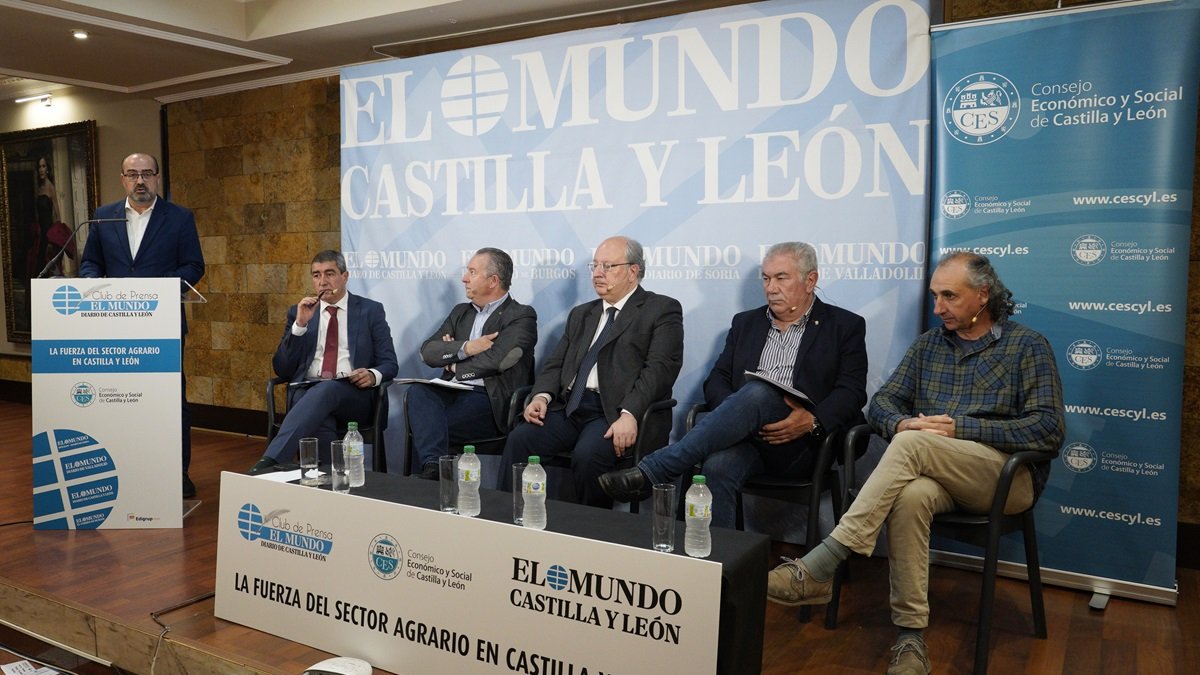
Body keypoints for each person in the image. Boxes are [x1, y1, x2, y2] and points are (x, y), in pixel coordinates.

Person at [765, 252, 1066, 675]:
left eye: (949, 296)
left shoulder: (1026, 346)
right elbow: (882, 404)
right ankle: (910, 640)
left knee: (912, 445)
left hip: (1004, 478)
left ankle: (823, 562)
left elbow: (1048, 429)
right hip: (934, 474)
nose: (938, 307)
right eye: (934, 296)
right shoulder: (929, 345)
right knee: (911, 494)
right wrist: (905, 421)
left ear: (983, 295)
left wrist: (959, 430)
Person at [599, 242, 868, 527]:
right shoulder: (746, 323)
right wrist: (738, 412)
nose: (771, 287)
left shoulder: (843, 326)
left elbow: (851, 391)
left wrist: (813, 421)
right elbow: (717, 380)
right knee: (717, 467)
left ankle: (658, 467)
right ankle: (717, 566)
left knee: (759, 391)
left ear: (810, 280)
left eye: (781, 278)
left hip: (802, 443)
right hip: (745, 439)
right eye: (766, 278)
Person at [499, 236, 683, 508]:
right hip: (570, 407)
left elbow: (660, 370)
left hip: (613, 411)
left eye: (608, 266)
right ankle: (506, 517)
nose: (597, 273)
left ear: (633, 271)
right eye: (595, 266)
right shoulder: (582, 314)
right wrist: (541, 397)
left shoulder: (661, 310)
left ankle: (591, 534)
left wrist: (630, 413)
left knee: (588, 455)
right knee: (521, 439)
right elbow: (556, 363)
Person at [79, 152, 205, 498]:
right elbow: (90, 262)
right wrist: (96, 286)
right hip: (114, 324)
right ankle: (127, 467)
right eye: (132, 174)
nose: (140, 181)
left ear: (157, 178)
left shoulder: (179, 218)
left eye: (147, 174)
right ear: (122, 179)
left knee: (169, 399)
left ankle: (178, 472)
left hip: (161, 323)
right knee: (121, 398)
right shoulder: (104, 217)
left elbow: (194, 266)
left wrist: (157, 289)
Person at [250, 250, 399, 472]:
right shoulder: (300, 312)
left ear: (345, 276)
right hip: (307, 391)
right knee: (321, 415)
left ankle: (271, 460)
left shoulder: (370, 310)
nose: (322, 282)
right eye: (316, 275)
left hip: (353, 395)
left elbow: (389, 363)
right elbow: (282, 368)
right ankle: (330, 482)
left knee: (326, 390)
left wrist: (372, 374)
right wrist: (300, 326)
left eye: (329, 274)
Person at [408, 247, 537, 478]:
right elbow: (428, 352)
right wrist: (467, 347)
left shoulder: (521, 315)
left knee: (430, 428)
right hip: (452, 390)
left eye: (472, 272)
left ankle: (427, 482)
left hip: (490, 398)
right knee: (418, 392)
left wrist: (454, 364)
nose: (464, 278)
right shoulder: (461, 312)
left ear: (493, 281)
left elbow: (499, 360)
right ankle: (433, 470)